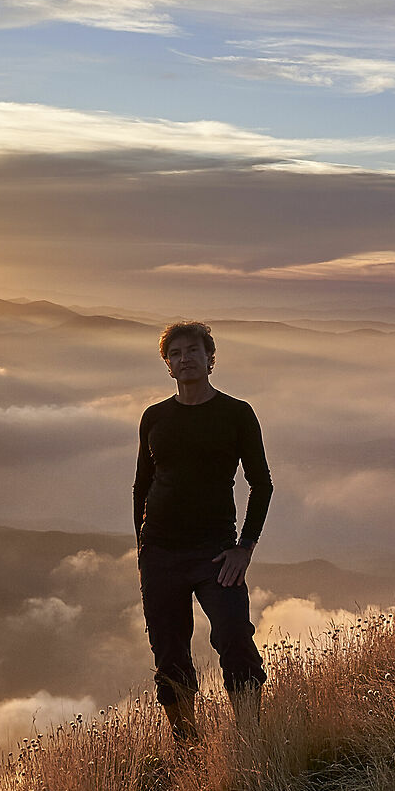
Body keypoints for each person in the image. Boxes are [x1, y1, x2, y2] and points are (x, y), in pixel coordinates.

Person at [135, 320, 273, 746]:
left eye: (193, 351)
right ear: (168, 365)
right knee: (169, 652)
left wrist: (245, 547)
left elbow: (262, 484)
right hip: (160, 552)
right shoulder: (154, 417)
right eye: (175, 354)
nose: (184, 359)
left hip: (217, 552)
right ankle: (187, 745)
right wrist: (142, 549)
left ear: (210, 359)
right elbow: (142, 485)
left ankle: (249, 738)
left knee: (235, 637)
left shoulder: (237, 414)